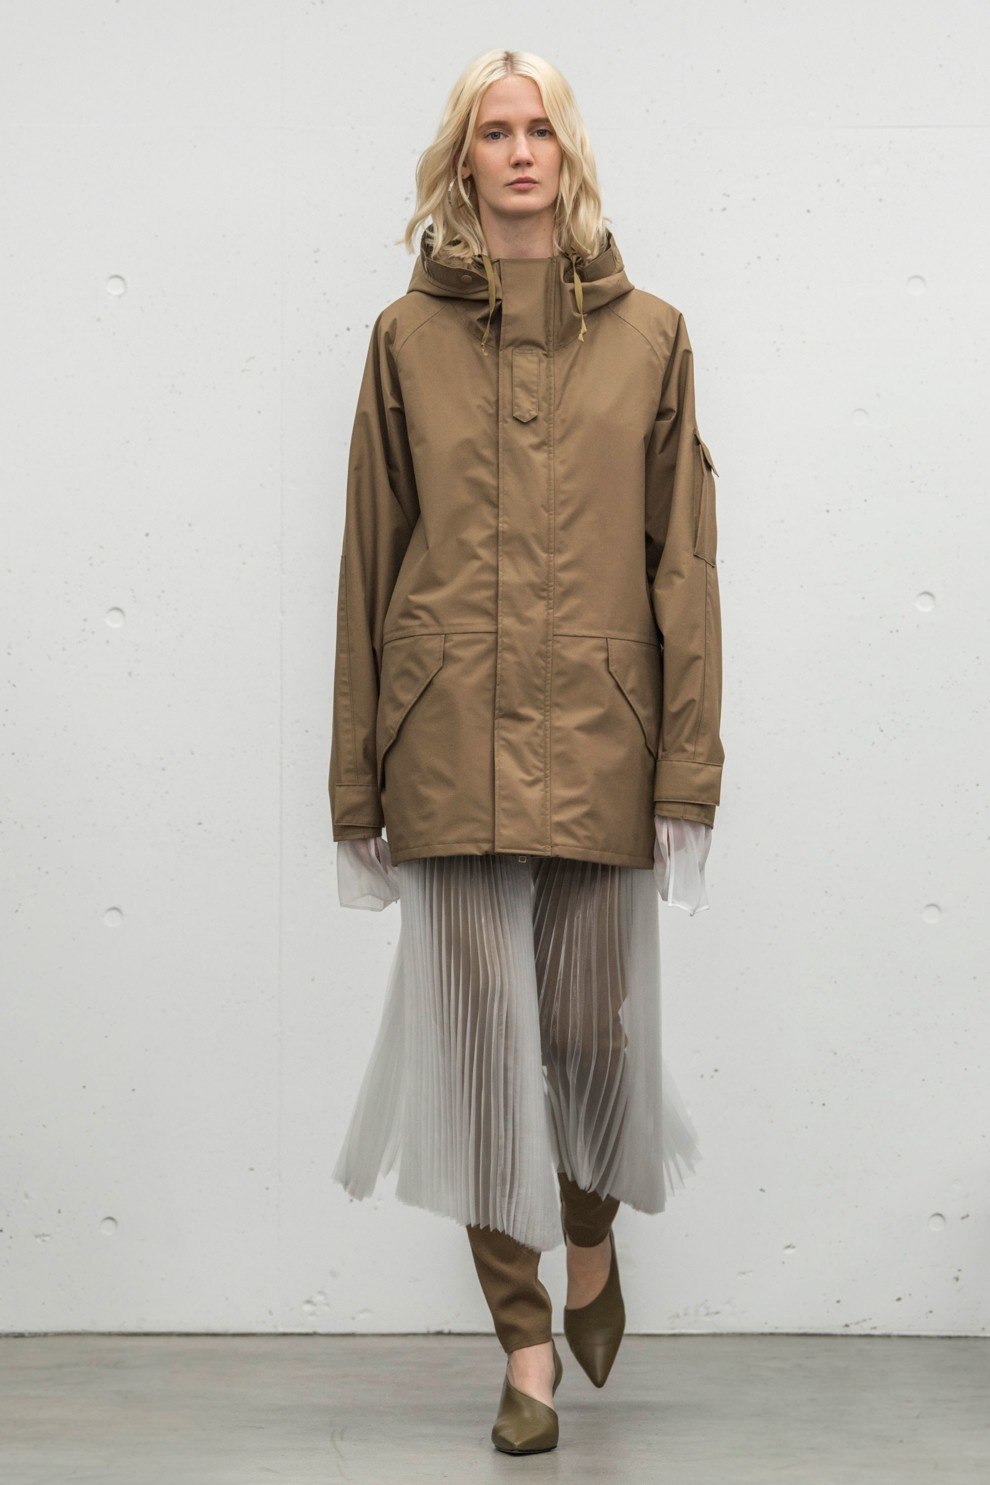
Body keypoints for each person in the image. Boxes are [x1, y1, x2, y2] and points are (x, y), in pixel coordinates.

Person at [327, 48, 725, 1456]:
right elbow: (371, 556)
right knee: (479, 1056)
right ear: (462, 158)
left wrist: (688, 768)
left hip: (602, 738)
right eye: (491, 131)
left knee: (586, 1036)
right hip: (441, 739)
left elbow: (684, 567)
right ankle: (524, 1344)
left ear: (568, 154)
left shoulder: (652, 337)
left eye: (537, 129)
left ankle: (592, 1237)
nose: (516, 151)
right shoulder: (403, 339)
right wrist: (355, 779)